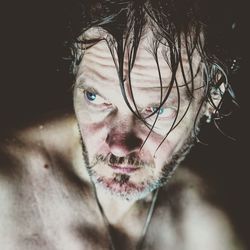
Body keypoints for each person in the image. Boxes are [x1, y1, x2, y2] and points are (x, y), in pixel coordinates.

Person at [0, 0, 246, 249]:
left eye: (157, 110)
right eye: (94, 98)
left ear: (212, 95)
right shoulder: (6, 192)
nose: (118, 145)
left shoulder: (207, 226)